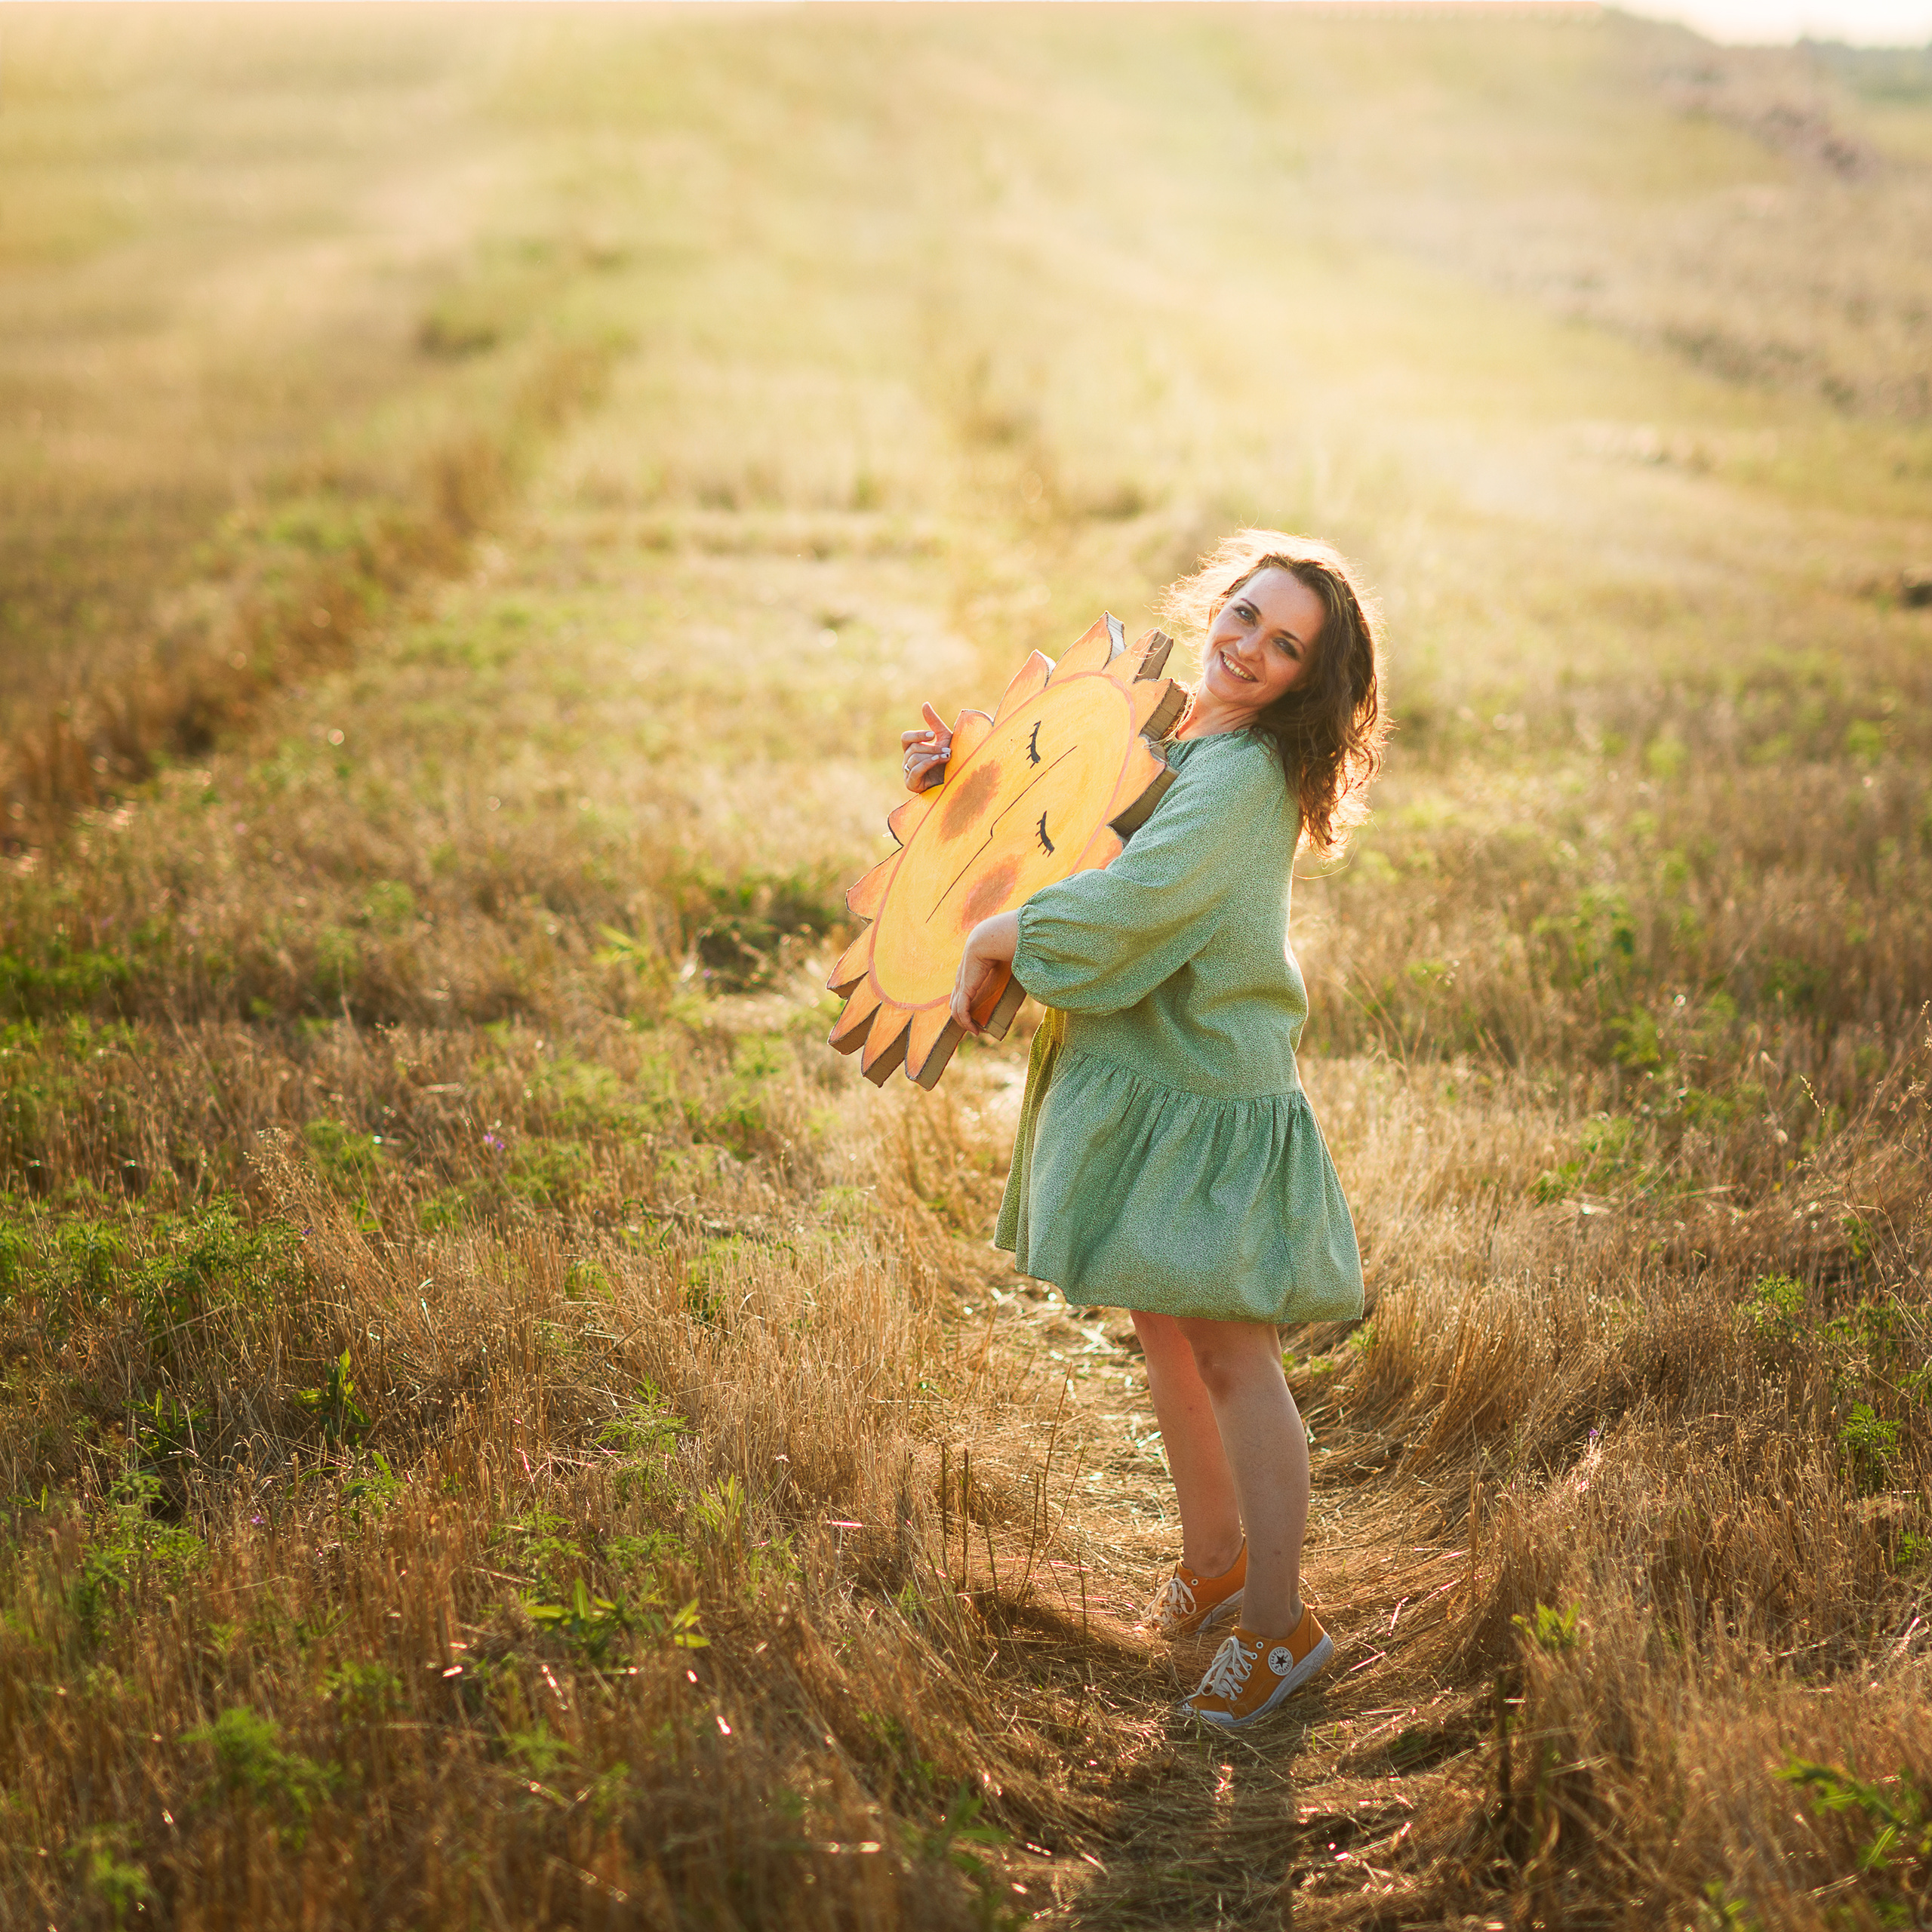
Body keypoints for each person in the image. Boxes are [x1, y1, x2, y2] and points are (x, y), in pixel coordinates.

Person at [900, 530, 1386, 1729]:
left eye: (1285, 649)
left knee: (1232, 1354)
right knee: (1163, 1327)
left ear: (1309, 685)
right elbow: (1068, 817)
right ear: (1217, 607)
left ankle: (1282, 1629)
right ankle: (1216, 1557)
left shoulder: (1242, 780)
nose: (1250, 651)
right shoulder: (1179, 733)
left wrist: (1001, 937)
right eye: (1246, 618)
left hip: (1206, 1095)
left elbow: (1137, 899)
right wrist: (954, 786)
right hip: (1150, 1079)